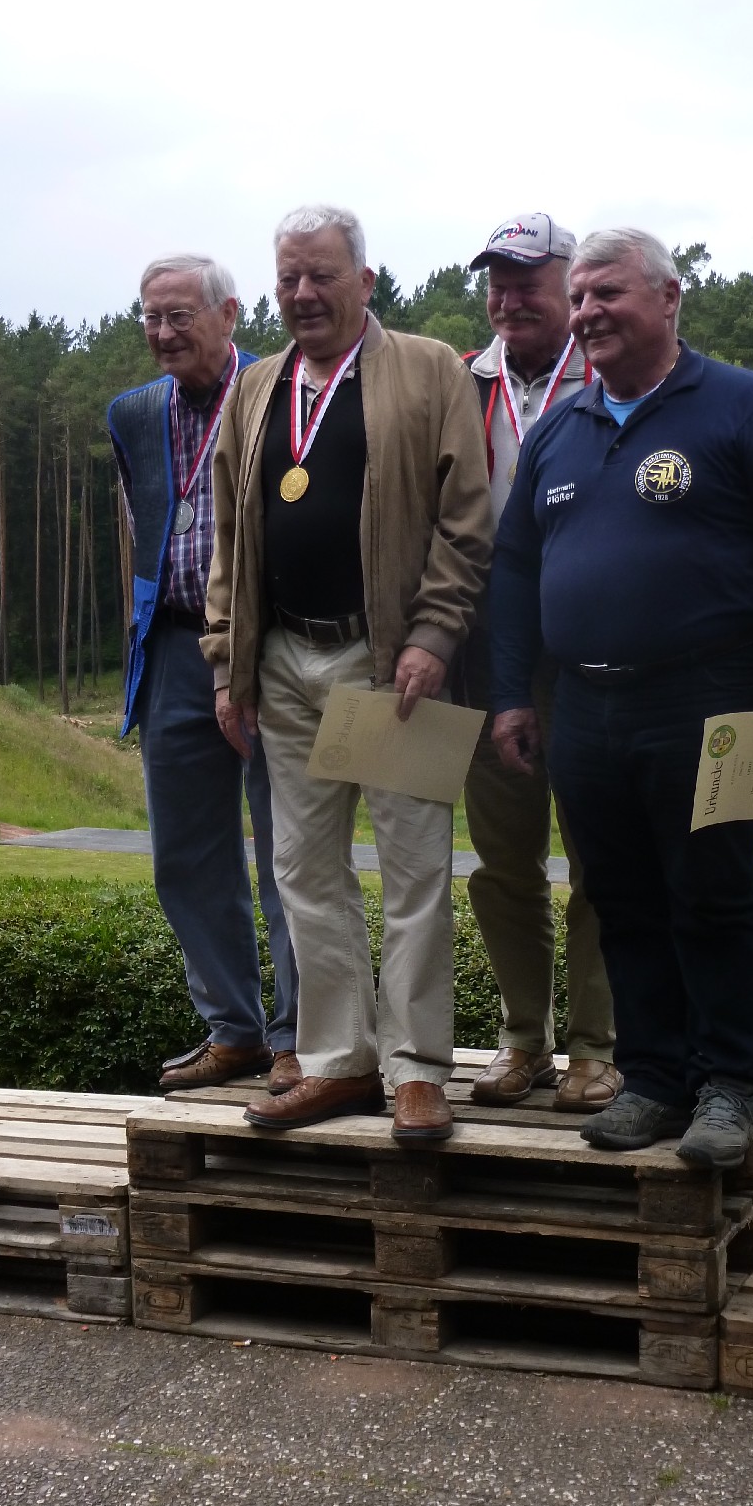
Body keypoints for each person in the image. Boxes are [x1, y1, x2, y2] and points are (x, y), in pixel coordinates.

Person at [488, 228, 753, 1166]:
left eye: (608, 293)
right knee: (621, 896)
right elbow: (515, 568)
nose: (588, 312)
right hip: (585, 705)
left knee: (713, 893)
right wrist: (511, 694)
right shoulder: (561, 429)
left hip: (713, 693)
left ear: (670, 296)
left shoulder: (743, 405)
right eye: (580, 297)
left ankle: (732, 1082)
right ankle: (651, 1077)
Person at [204, 205, 493, 1143]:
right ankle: (337, 1062)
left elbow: (466, 520)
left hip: (389, 664)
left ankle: (417, 1069)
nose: (303, 294)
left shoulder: (430, 368)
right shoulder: (256, 387)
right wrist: (229, 661)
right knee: (302, 869)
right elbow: (230, 536)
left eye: (322, 275)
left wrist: (433, 634)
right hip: (284, 663)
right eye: (289, 277)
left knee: (415, 870)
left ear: (365, 281)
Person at [106, 254, 298, 1095]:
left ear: (229, 313)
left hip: (273, 648)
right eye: (150, 317)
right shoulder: (132, 413)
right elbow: (146, 521)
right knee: (185, 855)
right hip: (176, 649)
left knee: (291, 852)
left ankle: (301, 1037)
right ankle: (234, 1032)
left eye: (180, 315)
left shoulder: (282, 392)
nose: (163, 332)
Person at [458, 213, 618, 1113]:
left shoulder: (613, 379)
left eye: (528, 283)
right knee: (503, 865)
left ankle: (597, 1047)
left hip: (595, 658)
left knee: (602, 862)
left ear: (570, 288)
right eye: (498, 284)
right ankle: (523, 1039)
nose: (510, 300)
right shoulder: (458, 383)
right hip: (490, 663)